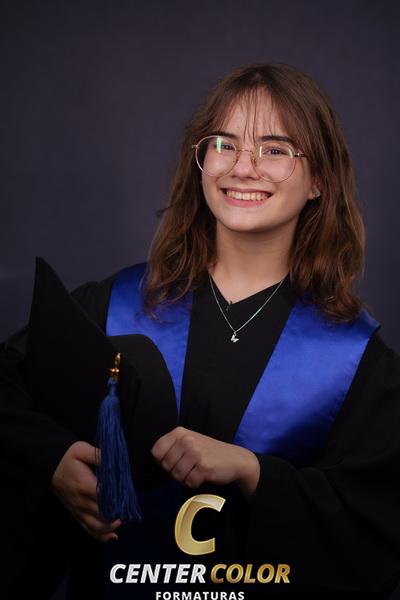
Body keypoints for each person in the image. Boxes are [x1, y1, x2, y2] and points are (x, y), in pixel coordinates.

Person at [1, 63, 400, 599]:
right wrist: (51, 459)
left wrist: (254, 473)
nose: (243, 167)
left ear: (319, 181)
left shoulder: (355, 359)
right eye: (224, 144)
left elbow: (375, 525)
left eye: (275, 149)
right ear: (202, 162)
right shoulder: (114, 304)